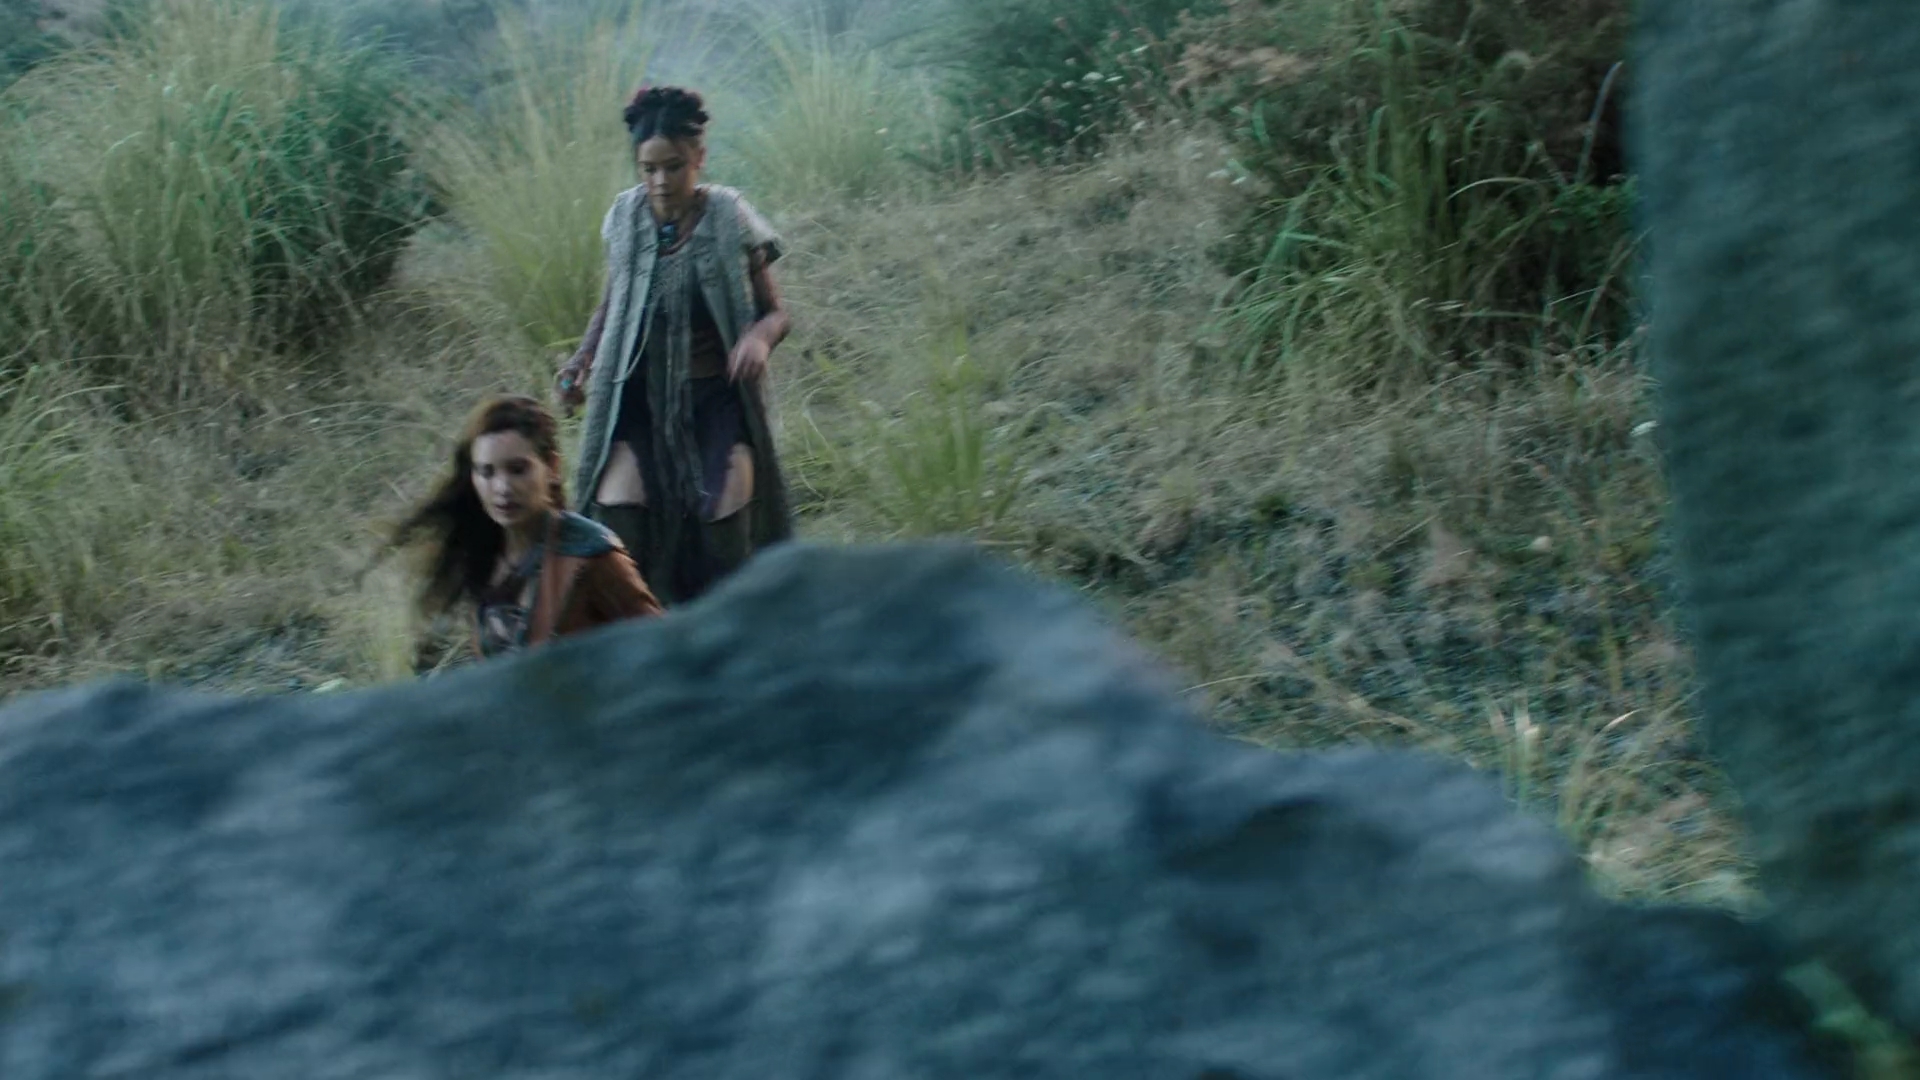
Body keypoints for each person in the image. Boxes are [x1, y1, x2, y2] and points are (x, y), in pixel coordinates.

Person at [555, 84, 794, 606]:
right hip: (639, 403)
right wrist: (581, 362)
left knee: (723, 517)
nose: (661, 182)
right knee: (619, 510)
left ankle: (732, 619)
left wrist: (757, 339)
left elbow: (777, 312)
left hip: (715, 401)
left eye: (674, 166)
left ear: (699, 159)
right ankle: (646, 621)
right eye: (649, 169)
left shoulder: (729, 217)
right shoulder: (624, 217)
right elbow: (611, 305)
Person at [387, 395, 663, 659]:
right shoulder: (481, 554)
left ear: (551, 467)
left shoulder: (591, 554)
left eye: (517, 469)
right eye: (487, 472)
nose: (502, 488)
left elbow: (662, 648)